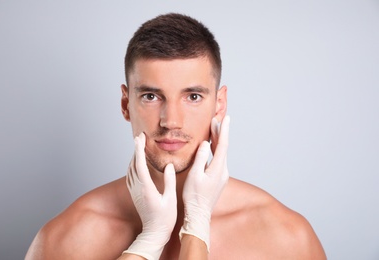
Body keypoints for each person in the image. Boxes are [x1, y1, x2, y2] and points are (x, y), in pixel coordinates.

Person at [26, 13, 326, 259]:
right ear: (125, 104)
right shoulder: (66, 240)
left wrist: (195, 220)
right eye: (151, 96)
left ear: (218, 105)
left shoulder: (286, 239)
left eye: (193, 96)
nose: (171, 121)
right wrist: (153, 237)